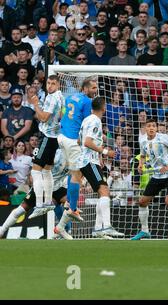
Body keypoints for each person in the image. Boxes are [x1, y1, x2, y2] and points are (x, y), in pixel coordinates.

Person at [55, 97, 123, 239]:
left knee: (102, 191)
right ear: (103, 108)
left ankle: (62, 227)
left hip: (85, 160)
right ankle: (106, 227)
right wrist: (104, 152)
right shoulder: (95, 121)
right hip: (88, 162)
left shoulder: (86, 119)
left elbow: (80, 140)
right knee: (104, 191)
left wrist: (97, 156)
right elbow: (86, 142)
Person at [132, 118, 168, 241]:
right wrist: (140, 165)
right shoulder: (143, 142)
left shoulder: (164, 138)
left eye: (153, 126)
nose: (151, 128)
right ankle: (144, 231)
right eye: (149, 126)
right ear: (145, 128)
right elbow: (143, 155)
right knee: (142, 202)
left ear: (156, 128)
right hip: (157, 176)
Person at [0, 149, 71, 239]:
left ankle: (62, 229)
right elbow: (37, 168)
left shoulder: (73, 152)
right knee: (22, 209)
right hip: (43, 185)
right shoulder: (52, 149)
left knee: (71, 203)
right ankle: (2, 230)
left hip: (59, 186)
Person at [57, 78, 97, 222]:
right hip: (73, 140)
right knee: (77, 174)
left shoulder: (70, 97)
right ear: (85, 89)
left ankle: (68, 202)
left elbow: (63, 113)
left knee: (71, 171)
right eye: (93, 88)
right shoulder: (87, 101)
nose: (95, 90)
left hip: (62, 136)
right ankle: (72, 208)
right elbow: (86, 123)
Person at [29, 75, 64, 216]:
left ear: (58, 85)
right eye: (48, 83)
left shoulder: (52, 97)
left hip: (47, 136)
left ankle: (39, 204)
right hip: (55, 137)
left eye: (53, 84)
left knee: (35, 170)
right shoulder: (61, 96)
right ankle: (49, 202)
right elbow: (63, 113)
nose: (49, 86)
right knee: (47, 170)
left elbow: (43, 117)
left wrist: (36, 104)